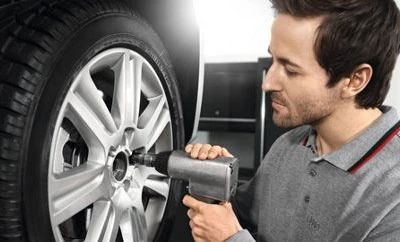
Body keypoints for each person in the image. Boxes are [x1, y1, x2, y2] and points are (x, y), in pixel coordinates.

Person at [182, 0, 400, 241]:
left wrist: (230, 239)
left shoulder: (393, 194)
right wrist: (215, 183)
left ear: (354, 80)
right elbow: (240, 219)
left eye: (291, 70)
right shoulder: (289, 145)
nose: (267, 83)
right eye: (273, 60)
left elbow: (232, 234)